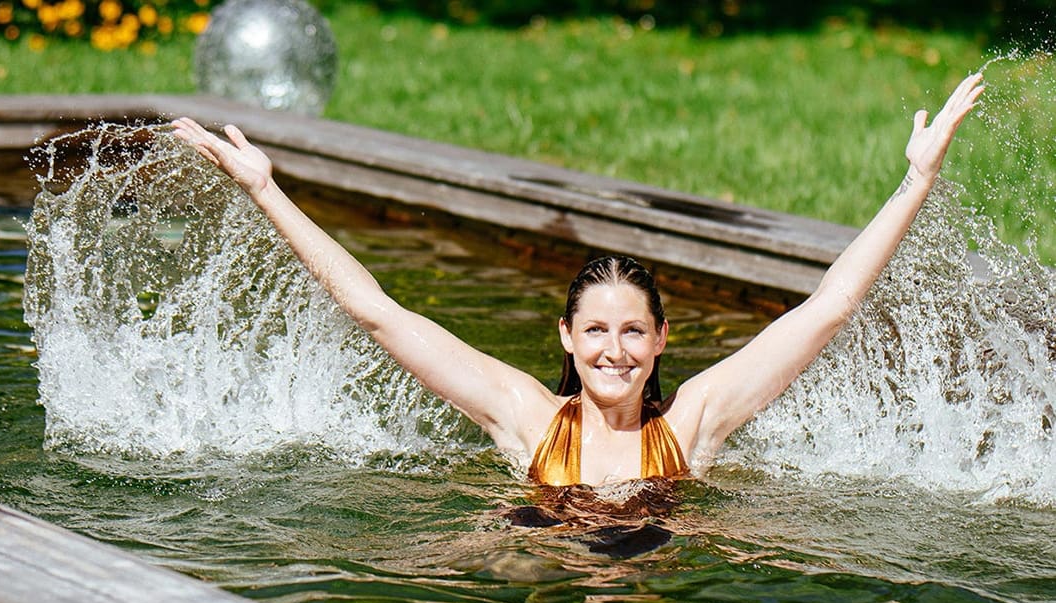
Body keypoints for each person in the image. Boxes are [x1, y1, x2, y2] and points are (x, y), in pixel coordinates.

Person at [172, 73, 985, 488]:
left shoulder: (694, 425)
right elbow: (375, 312)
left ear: (663, 339)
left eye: (634, 330)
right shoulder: (526, 418)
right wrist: (264, 189)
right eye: (597, 330)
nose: (615, 350)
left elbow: (830, 308)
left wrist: (914, 182)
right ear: (567, 337)